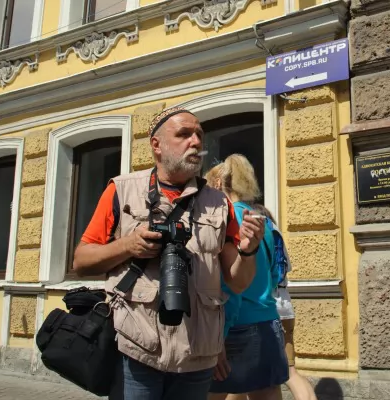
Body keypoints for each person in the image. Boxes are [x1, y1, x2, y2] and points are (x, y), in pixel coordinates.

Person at [72, 107, 265, 400]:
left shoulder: (219, 203)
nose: (196, 141)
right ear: (157, 145)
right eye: (184, 134)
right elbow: (81, 261)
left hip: (197, 357)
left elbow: (238, 282)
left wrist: (248, 251)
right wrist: (128, 245)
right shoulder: (121, 190)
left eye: (199, 134)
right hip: (135, 351)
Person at [205, 155, 289, 400]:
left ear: (218, 184)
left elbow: (225, 284)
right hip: (269, 321)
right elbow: (276, 273)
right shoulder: (264, 222)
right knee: (268, 392)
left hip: (235, 325)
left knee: (212, 393)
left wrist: (217, 335)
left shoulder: (225, 220)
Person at [252, 203, 318, 400]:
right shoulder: (277, 234)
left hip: (265, 308)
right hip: (286, 307)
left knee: (250, 377)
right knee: (289, 372)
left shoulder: (259, 236)